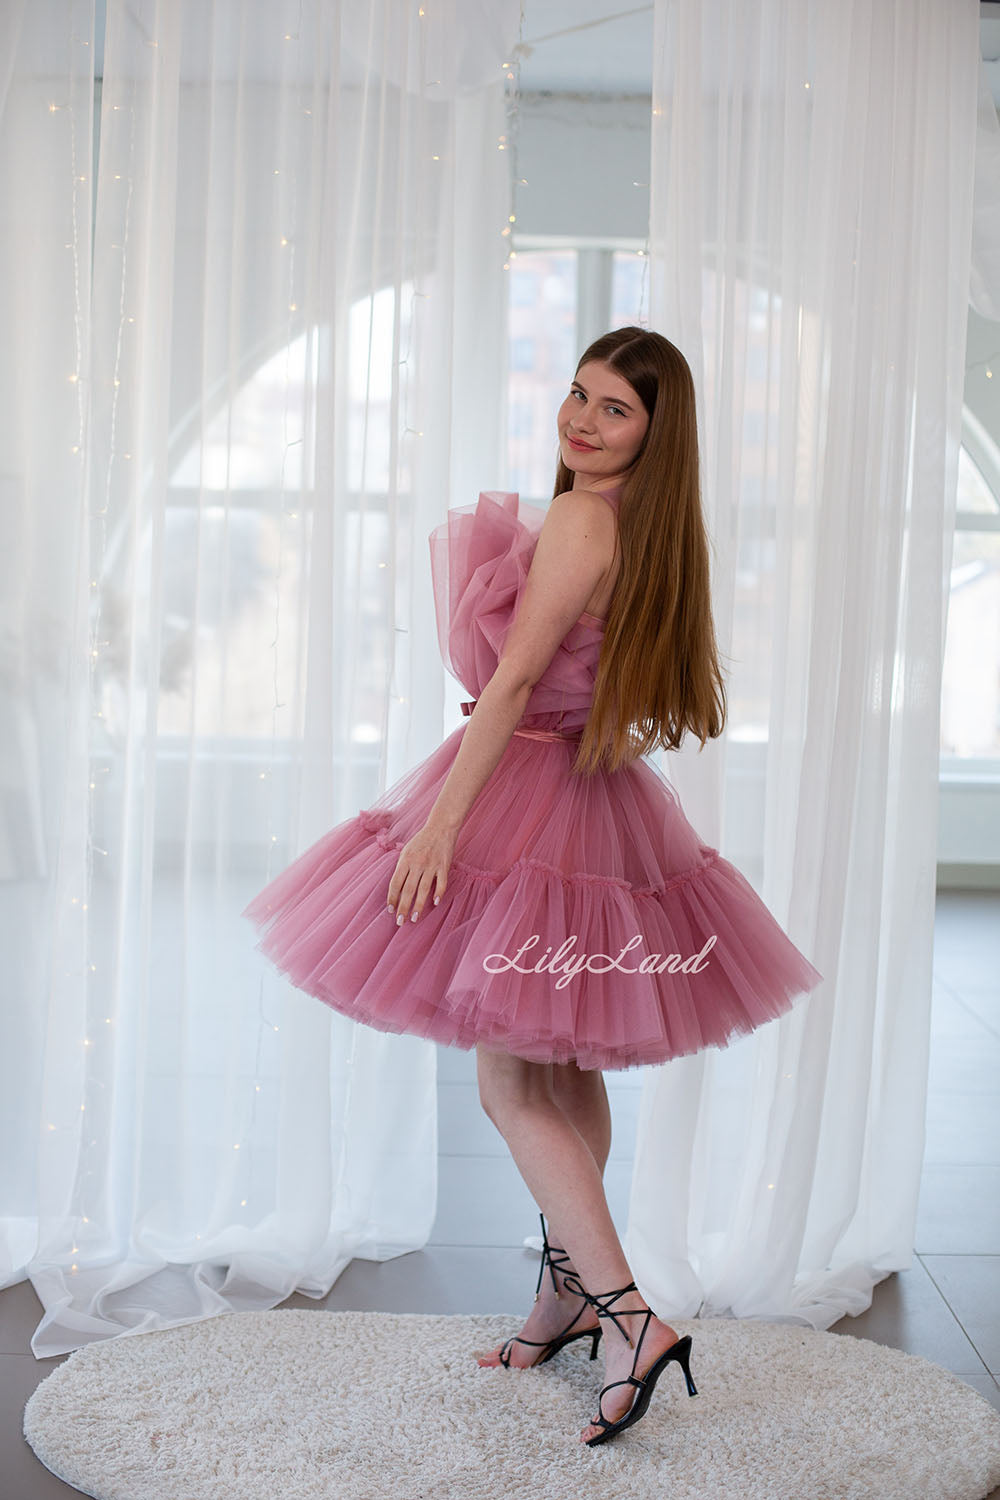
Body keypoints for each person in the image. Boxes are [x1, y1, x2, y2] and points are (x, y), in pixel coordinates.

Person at [242, 325, 823, 1447]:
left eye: (613, 408)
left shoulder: (580, 518)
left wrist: (440, 832)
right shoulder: (644, 530)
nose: (581, 419)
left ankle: (629, 1318)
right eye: (579, 393)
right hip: (594, 799)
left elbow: (511, 683)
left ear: (653, 435)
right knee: (559, 1074)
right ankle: (566, 1297)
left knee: (513, 1091)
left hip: (523, 798)